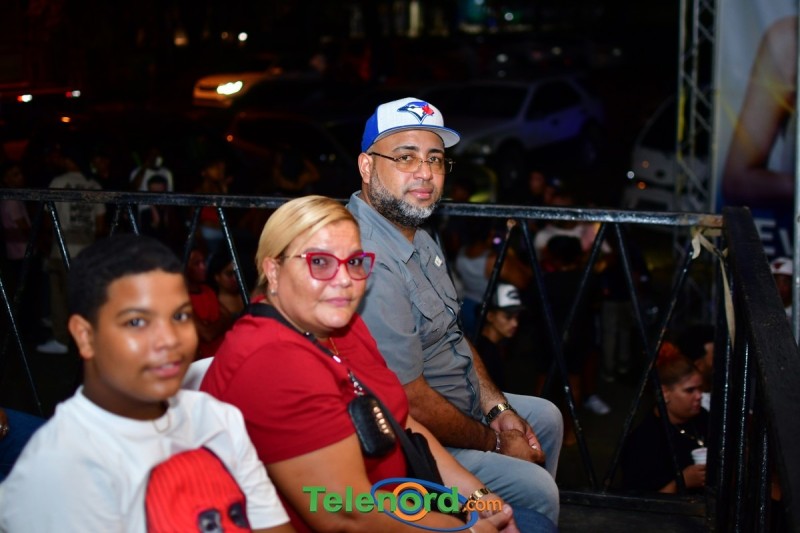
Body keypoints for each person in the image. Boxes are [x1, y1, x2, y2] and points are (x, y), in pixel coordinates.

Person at [201, 196, 553, 532]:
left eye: (354, 262)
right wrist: (465, 528)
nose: (344, 279)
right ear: (273, 271)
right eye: (320, 262)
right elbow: (346, 514)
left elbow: (404, 422)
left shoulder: (341, 327)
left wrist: (478, 499)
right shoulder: (272, 362)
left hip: (405, 496)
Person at [347, 97, 563, 524]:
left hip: (459, 406)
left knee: (547, 417)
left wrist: (498, 410)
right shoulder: (367, 257)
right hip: (416, 439)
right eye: (405, 157)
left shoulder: (417, 232)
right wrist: (496, 443)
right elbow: (408, 401)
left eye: (435, 159)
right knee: (538, 488)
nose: (425, 173)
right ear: (367, 167)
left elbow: (453, 334)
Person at [0, 234, 292, 532]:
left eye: (180, 316)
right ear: (85, 336)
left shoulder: (215, 418)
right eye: (136, 322)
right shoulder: (60, 469)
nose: (169, 339)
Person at [37, 145, 106, 355]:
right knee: (85, 297)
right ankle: (89, 339)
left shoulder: (58, 183)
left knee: (60, 296)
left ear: (69, 160)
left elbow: (48, 220)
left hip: (63, 247)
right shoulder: (93, 185)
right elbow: (101, 224)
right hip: (87, 250)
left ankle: (62, 339)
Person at [620, 344, 709, 493]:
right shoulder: (643, 442)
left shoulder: (702, 417)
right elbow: (640, 502)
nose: (699, 396)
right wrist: (682, 482)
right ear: (665, 393)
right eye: (690, 390)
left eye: (700, 388)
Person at [475, 283, 528, 390]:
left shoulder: (497, 348)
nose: (515, 323)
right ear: (490, 316)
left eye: (517, 317)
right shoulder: (484, 353)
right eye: (508, 317)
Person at [186, 247, 234, 359]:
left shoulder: (207, 290)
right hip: (204, 361)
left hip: (223, 353)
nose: (203, 267)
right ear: (185, 267)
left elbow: (228, 317)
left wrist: (211, 326)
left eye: (203, 262)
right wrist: (221, 323)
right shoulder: (182, 297)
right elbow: (207, 334)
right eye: (197, 264)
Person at [207, 249, 246, 318]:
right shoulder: (212, 305)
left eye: (236, 273)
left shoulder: (249, 296)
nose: (235, 278)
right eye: (229, 274)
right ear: (217, 277)